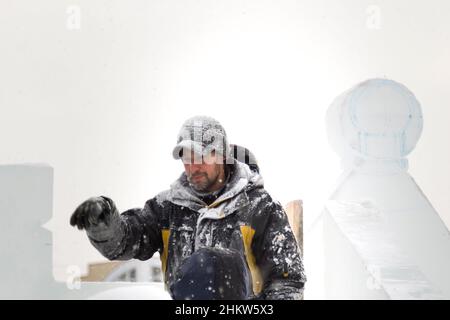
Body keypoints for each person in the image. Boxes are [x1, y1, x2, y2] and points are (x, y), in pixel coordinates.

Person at [70, 115, 306, 300]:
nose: (194, 168)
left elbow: (287, 281)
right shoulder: (167, 208)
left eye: (202, 158)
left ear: (221, 155)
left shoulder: (259, 208)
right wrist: (103, 223)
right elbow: (126, 240)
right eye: (187, 159)